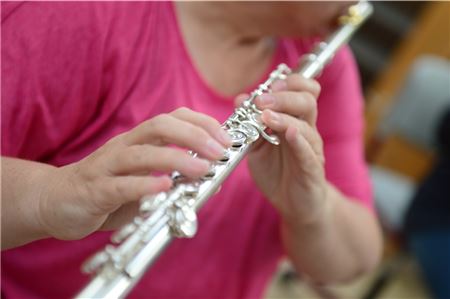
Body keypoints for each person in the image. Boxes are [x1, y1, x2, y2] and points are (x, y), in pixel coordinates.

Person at [1, 2, 382, 298]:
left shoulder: (321, 66)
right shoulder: (77, 12)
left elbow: (356, 259)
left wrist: (311, 207)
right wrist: (50, 195)